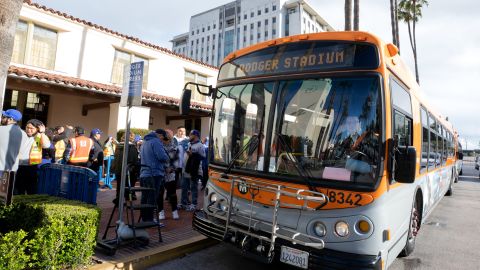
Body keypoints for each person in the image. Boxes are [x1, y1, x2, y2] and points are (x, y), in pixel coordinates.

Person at [139, 129, 169, 222]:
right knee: (152, 197)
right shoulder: (156, 141)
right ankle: (149, 219)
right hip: (154, 173)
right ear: (159, 135)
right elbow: (162, 157)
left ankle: (145, 219)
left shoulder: (145, 142)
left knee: (145, 197)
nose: (162, 140)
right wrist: (167, 157)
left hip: (144, 173)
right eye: (163, 138)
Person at [15, 119, 51, 195]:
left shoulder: (41, 136)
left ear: (37, 129)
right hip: (19, 167)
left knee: (31, 190)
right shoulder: (21, 134)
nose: (28, 130)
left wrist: (42, 133)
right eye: (27, 127)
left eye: (31, 128)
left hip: (32, 167)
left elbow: (46, 145)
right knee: (18, 191)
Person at [180, 129, 205, 211]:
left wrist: (193, 154)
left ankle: (194, 204)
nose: (189, 136)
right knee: (184, 187)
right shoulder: (188, 143)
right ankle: (184, 202)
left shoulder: (200, 145)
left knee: (193, 188)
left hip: (194, 170)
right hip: (186, 169)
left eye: (191, 134)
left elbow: (203, 157)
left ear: (195, 136)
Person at [111, 132, 140, 203]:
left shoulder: (118, 146)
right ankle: (128, 198)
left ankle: (119, 198)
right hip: (129, 170)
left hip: (119, 169)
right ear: (132, 138)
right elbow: (134, 160)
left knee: (119, 185)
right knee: (128, 185)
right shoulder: (132, 147)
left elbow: (116, 158)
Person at [158, 129, 180, 220]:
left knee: (172, 193)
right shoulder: (158, 146)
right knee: (160, 193)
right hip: (160, 172)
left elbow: (176, 160)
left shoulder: (174, 146)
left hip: (170, 173)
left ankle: (174, 211)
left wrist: (171, 169)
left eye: (168, 134)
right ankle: (161, 212)